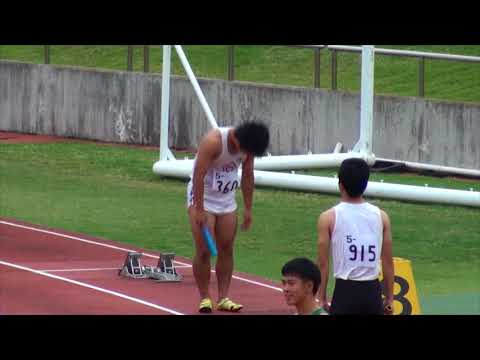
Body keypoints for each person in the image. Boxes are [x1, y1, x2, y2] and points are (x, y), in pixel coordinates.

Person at [187, 121, 270, 313]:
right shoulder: (214, 142)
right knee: (204, 249)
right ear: (236, 140)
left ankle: (223, 297)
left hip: (226, 199)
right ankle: (205, 297)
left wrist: (248, 208)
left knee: (226, 248)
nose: (247, 155)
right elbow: (198, 175)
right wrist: (198, 209)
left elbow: (248, 175)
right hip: (203, 196)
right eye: (247, 151)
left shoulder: (248, 147)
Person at [316, 158, 394, 315]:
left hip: (345, 291)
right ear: (365, 184)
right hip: (372, 291)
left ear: (340, 185)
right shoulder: (381, 216)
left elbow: (323, 263)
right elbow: (387, 262)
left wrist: (321, 297)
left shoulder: (328, 217)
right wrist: (390, 298)